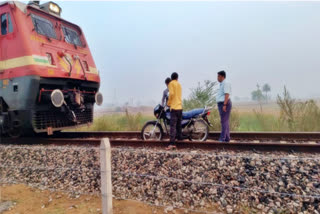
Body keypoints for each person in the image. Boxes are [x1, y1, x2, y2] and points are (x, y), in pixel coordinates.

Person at [167, 72, 182, 149]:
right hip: (180, 107)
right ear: (177, 78)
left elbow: (171, 94)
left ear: (171, 78)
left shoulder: (171, 83)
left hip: (174, 107)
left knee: (172, 126)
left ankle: (172, 143)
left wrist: (168, 103)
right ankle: (180, 140)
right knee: (178, 125)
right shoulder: (179, 84)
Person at [216, 70, 232, 142]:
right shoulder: (222, 84)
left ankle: (222, 138)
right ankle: (227, 138)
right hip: (221, 104)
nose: (217, 78)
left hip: (224, 104)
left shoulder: (226, 83)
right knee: (225, 121)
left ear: (222, 76)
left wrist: (225, 104)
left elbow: (227, 94)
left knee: (224, 121)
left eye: (218, 76)